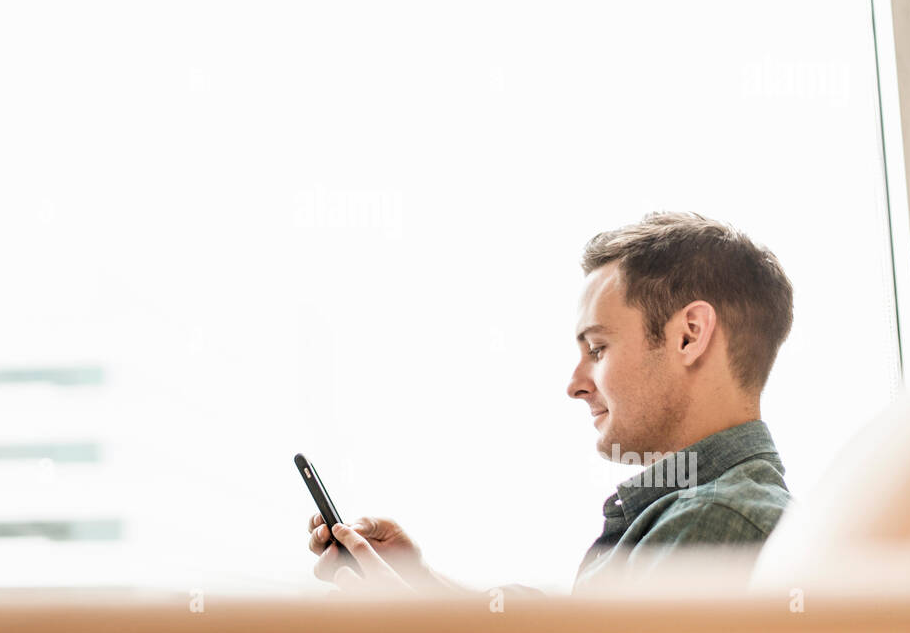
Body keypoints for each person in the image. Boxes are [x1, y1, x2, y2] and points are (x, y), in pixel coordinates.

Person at [306, 211, 795, 596]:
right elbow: (571, 632)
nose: (575, 384)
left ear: (689, 336)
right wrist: (419, 581)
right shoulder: (693, 509)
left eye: (598, 348)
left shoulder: (714, 523)